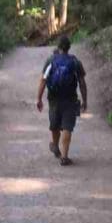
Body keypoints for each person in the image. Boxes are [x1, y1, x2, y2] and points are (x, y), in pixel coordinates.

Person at [36, 36, 88, 166]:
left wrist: (39, 98)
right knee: (67, 127)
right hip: (70, 99)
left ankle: (55, 146)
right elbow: (82, 82)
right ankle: (64, 157)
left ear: (58, 47)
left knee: (55, 125)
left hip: (54, 98)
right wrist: (85, 100)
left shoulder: (51, 60)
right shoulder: (75, 62)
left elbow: (43, 80)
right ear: (69, 47)